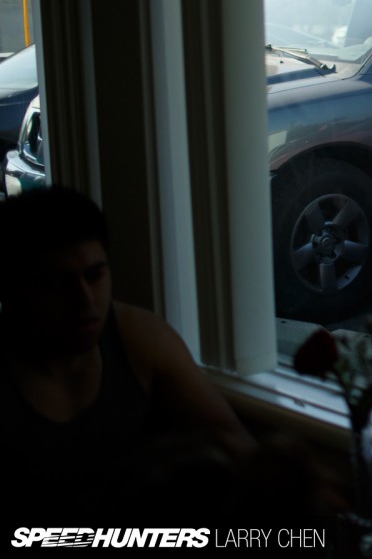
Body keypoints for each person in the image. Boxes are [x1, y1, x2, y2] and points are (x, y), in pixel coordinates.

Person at [0, 185, 257, 517]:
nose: (85, 301)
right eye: (57, 283)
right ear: (11, 291)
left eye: (95, 275)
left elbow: (237, 447)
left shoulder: (139, 337)